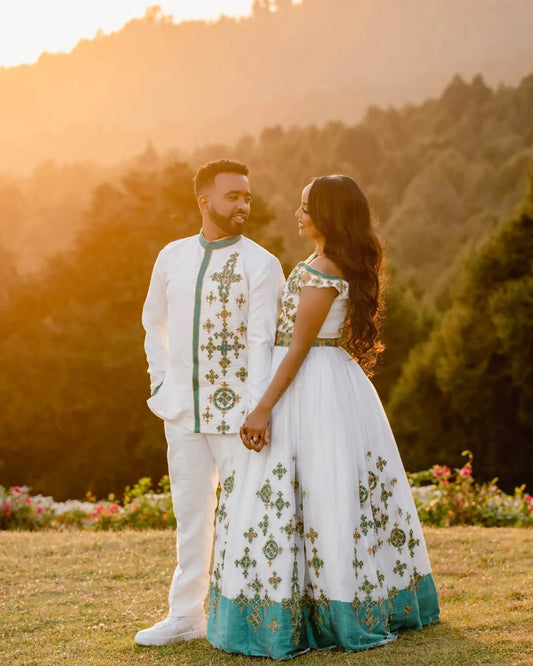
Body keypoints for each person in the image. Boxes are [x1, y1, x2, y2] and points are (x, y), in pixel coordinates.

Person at [207, 175, 440, 659]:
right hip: (332, 382)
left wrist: (263, 408)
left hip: (311, 387)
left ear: (328, 215)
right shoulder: (325, 263)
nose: (297, 213)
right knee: (321, 492)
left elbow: (297, 348)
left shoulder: (323, 270)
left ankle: (323, 608)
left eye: (306, 206)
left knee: (315, 489)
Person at [136, 159, 285, 646]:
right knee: (192, 516)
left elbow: (264, 342)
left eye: (247, 196)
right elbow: (152, 322)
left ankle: (253, 616)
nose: (244, 204)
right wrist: (160, 385)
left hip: (241, 418)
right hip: (181, 411)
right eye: (233, 197)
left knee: (246, 514)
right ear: (205, 202)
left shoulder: (262, 264)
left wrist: (258, 410)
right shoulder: (171, 257)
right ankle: (185, 617)